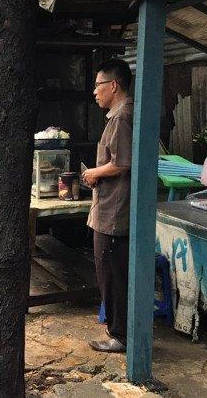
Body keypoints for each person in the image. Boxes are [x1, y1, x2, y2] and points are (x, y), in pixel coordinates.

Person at [82, 58, 134, 353]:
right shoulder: (118, 116)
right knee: (108, 272)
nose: (95, 92)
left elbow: (121, 163)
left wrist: (93, 173)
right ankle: (118, 330)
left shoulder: (121, 118)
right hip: (108, 207)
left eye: (99, 85)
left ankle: (120, 335)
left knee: (112, 274)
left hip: (115, 212)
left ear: (113, 86)